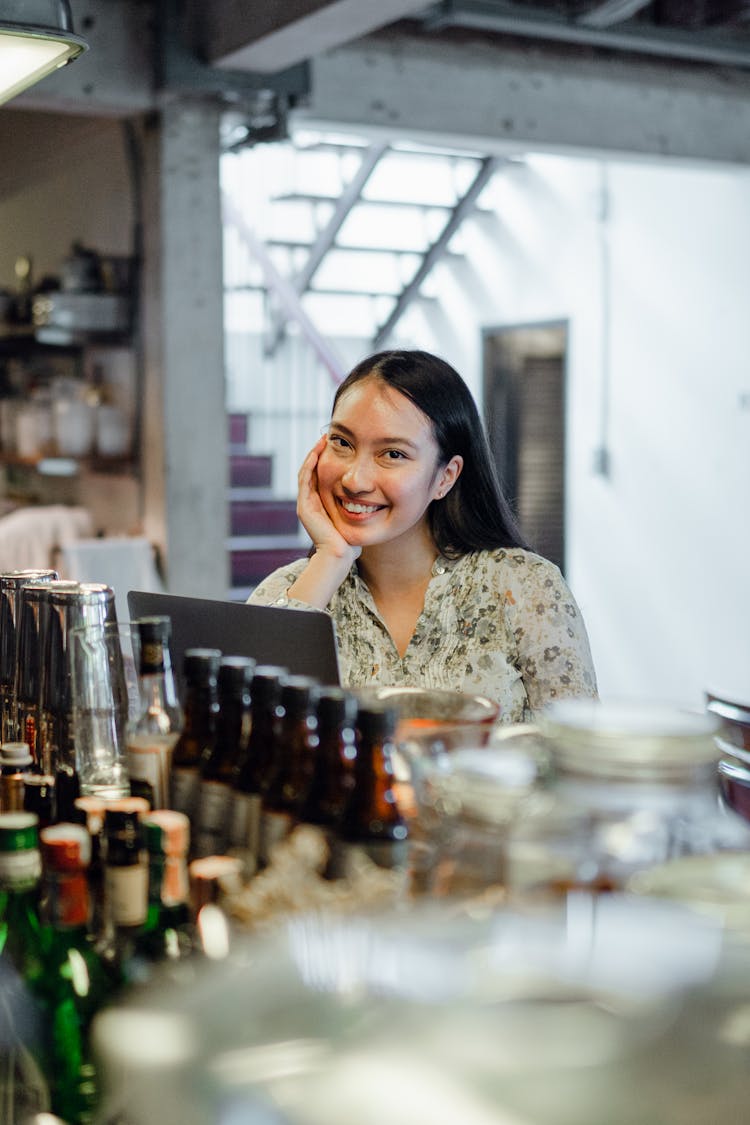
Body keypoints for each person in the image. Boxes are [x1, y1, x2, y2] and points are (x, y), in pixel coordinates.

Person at [249, 349, 597, 721]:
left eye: (393, 454)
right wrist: (332, 557)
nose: (355, 479)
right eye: (342, 442)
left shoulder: (526, 587)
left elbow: (580, 754)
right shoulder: (287, 593)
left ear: (445, 477)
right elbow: (246, 733)